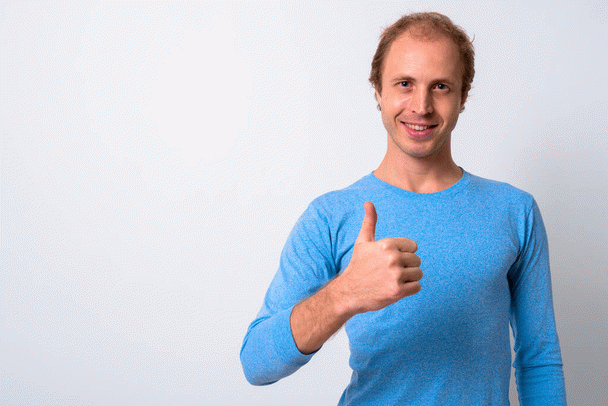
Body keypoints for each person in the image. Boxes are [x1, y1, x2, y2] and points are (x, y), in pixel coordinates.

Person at [240, 12, 566, 405]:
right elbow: (256, 363)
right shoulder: (331, 216)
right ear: (378, 90)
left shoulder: (514, 211)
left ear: (463, 97)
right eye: (405, 84)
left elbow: (538, 360)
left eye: (440, 86)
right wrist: (344, 294)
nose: (421, 106)